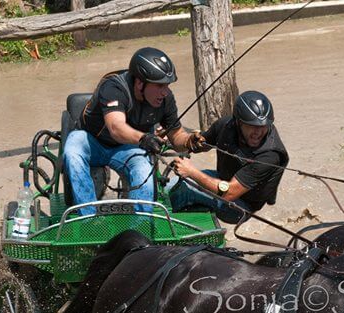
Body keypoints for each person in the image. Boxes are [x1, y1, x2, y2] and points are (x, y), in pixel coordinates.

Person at [64, 47, 205, 214]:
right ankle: (87, 218)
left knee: (144, 170)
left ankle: (140, 225)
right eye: (160, 85)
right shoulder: (113, 87)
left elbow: (176, 136)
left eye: (167, 85)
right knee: (73, 148)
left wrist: (190, 141)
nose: (165, 91)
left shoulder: (166, 99)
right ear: (140, 83)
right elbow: (116, 127)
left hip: (126, 148)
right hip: (91, 142)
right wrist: (144, 138)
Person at [169, 91, 289, 224]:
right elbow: (202, 144)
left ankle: (160, 224)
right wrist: (189, 140)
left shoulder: (270, 156)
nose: (258, 133)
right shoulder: (226, 125)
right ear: (239, 122)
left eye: (263, 126)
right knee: (173, 184)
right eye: (252, 126)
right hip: (223, 180)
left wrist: (191, 172)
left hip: (241, 207)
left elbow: (229, 193)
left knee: (187, 190)